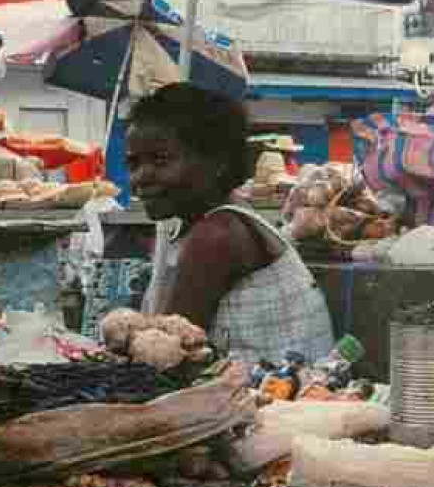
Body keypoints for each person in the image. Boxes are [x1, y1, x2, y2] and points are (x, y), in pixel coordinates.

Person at [126, 84, 336, 362]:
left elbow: (164, 355)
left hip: (272, 396)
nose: (140, 177)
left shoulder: (217, 235)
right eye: (134, 163)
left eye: (160, 160)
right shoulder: (218, 219)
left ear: (216, 163)